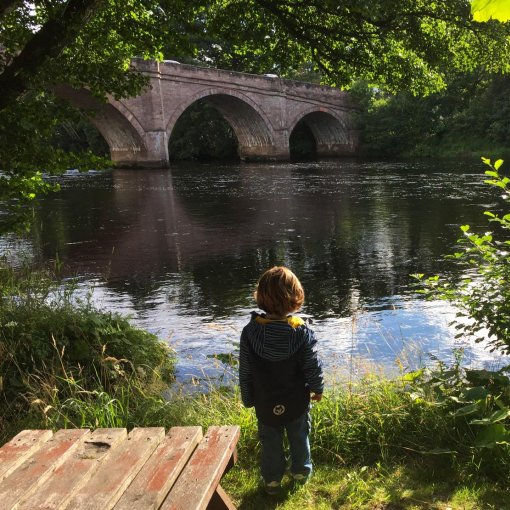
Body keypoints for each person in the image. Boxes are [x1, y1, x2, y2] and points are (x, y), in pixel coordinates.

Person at [239, 266, 324, 495]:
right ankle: (300, 472)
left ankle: (272, 481)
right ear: (295, 298)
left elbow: (245, 370)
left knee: (270, 442)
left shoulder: (249, 332)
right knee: (299, 436)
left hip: (265, 402)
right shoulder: (301, 331)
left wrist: (248, 398)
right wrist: (317, 388)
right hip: (296, 399)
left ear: (261, 298)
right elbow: (311, 364)